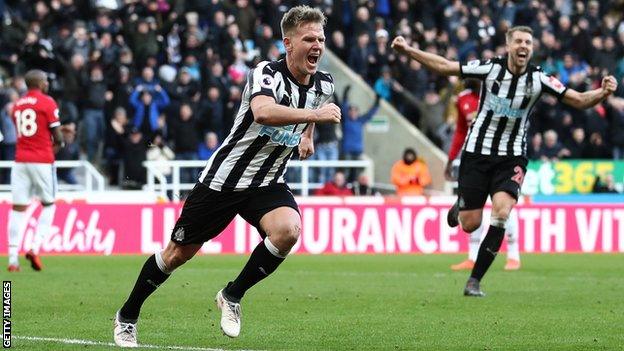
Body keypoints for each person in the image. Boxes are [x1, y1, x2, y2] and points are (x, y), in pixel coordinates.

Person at [113, 6, 340, 347]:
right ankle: (127, 315)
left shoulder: (323, 83)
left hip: (267, 181)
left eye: (321, 39)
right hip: (224, 180)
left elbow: (315, 107)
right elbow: (262, 112)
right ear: (288, 43)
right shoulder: (266, 73)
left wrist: (308, 133)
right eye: (309, 38)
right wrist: (314, 117)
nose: (317, 45)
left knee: (288, 231)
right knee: (177, 254)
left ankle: (232, 295)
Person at [392, 25, 617, 297]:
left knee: (501, 213)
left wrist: (602, 93)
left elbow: (579, 100)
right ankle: (463, 203)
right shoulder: (490, 68)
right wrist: (407, 50)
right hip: (477, 152)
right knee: (470, 224)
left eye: (528, 42)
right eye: (519, 41)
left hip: (511, 158)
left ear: (532, 48)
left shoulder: (539, 78)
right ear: (508, 46)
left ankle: (474, 281)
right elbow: (446, 67)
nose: (524, 46)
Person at [446, 80, 521, 271]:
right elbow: (461, 131)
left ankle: (514, 256)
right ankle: (472, 256)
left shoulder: (501, 96)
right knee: (474, 210)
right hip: (475, 160)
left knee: (503, 206)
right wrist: (451, 158)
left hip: (502, 159)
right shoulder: (463, 99)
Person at [6, 69, 64, 272]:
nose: (47, 83)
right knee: (49, 205)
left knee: (18, 209)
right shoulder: (47, 102)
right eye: (46, 80)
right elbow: (56, 137)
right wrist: (61, 142)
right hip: (42, 161)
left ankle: (12, 259)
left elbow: (30, 131)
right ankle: (34, 247)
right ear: (39, 83)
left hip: (20, 161)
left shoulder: (17, 106)